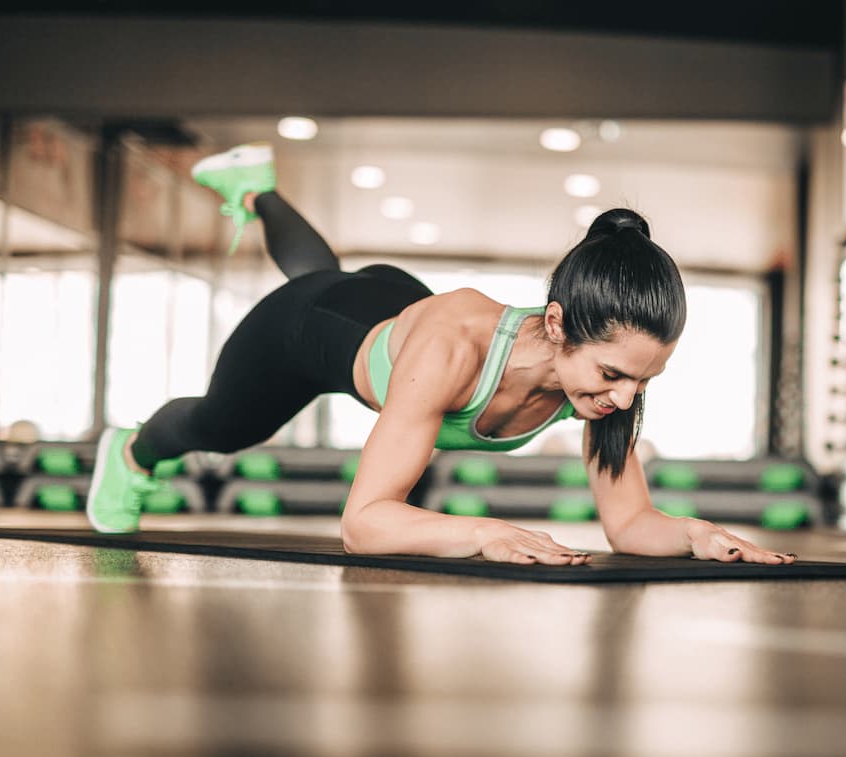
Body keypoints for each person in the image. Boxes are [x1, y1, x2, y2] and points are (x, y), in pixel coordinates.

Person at [86, 142, 798, 567]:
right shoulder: (454, 351)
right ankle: (129, 453)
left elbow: (629, 523)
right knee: (223, 425)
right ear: (557, 325)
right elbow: (364, 522)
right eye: (613, 375)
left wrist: (698, 535)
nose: (624, 399)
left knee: (329, 272)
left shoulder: (609, 385)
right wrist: (487, 534)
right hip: (312, 329)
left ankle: (258, 189)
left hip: (394, 303)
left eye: (645, 380)